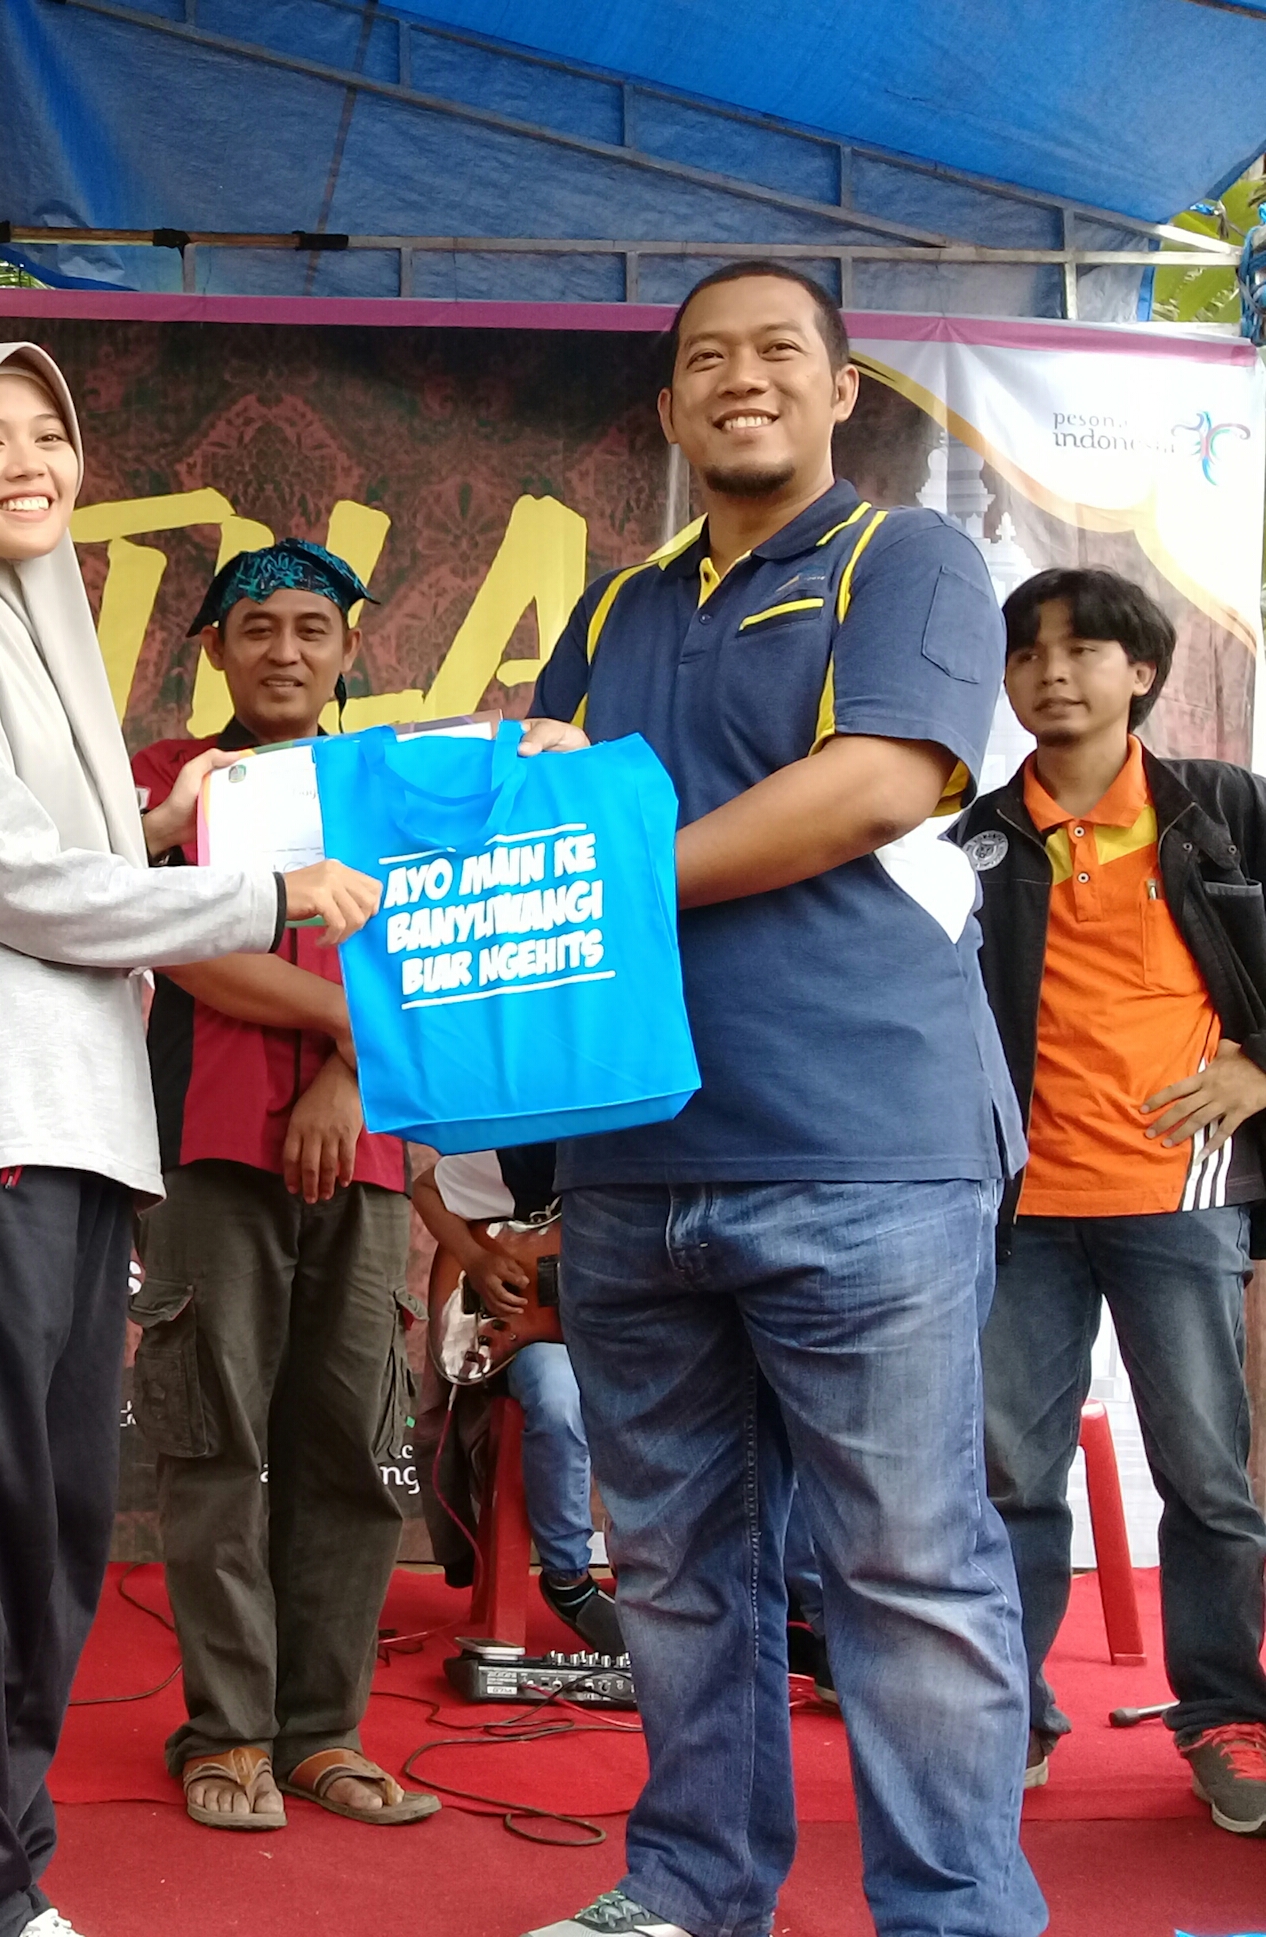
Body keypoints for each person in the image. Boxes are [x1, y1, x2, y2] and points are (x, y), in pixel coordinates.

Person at [518, 263, 1041, 1937]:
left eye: (776, 352)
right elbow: (532, 832)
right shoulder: (613, 608)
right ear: (668, 407)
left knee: (902, 1566)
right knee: (675, 1567)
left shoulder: (908, 558)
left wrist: (616, 873)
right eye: (703, 360)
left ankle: (954, 1914)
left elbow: (875, 782)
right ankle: (688, 1886)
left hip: (859, 1145)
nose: (739, 378)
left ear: (837, 390)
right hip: (629, 1156)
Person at [0, 340, 379, 1937]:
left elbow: (55, 858)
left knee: (57, 1534)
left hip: (84, 1136)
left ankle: (3, 1879)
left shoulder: (39, 631)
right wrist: (256, 891)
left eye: (48, 433)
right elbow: (15, 890)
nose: (28, 463)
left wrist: (153, 825)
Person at [948, 567, 1266, 1834]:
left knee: (1206, 1474)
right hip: (1017, 1204)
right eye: (1025, 652)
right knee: (1007, 1477)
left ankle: (1224, 1712)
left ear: (1140, 671)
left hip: (1174, 1191)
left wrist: (1258, 1064)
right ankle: (1010, 1713)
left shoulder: (1221, 810)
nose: (1050, 673)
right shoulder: (970, 837)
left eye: (1081, 649)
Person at [128, 539, 435, 1834]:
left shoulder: (396, 788)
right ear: (214, 651)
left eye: (312, 627)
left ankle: (321, 1732)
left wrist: (348, 1080)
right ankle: (228, 1730)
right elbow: (186, 942)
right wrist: (346, 1026)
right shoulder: (170, 780)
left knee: (351, 1448)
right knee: (216, 1446)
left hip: (367, 1154)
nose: (285, 650)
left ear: (349, 648)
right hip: (206, 1146)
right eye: (255, 628)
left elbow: (438, 951)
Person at [411, 1146, 622, 1656]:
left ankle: (664, 1582)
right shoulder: (533, 1153)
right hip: (539, 1338)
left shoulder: (655, 1164)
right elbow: (427, 1188)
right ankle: (568, 1578)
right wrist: (477, 1259)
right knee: (557, 1397)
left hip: (619, 1336)